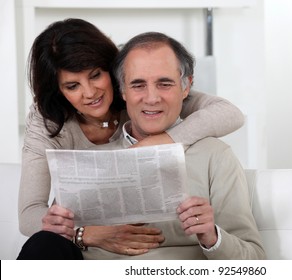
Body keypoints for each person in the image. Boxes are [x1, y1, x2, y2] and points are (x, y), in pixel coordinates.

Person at [17, 19, 245, 259]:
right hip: (88, 250)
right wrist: (87, 234)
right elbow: (30, 214)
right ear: (60, 91)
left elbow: (229, 113)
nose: (90, 93)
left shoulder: (145, 97)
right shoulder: (48, 122)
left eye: (95, 76)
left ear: (112, 74)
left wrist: (163, 141)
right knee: (44, 243)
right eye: (73, 86)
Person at [86, 31, 262, 259]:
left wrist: (212, 236)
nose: (151, 98)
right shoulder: (89, 158)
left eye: (164, 84)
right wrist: (78, 234)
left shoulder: (215, 156)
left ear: (186, 87)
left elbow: (255, 261)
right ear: (122, 90)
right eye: (138, 85)